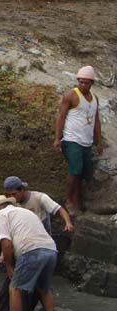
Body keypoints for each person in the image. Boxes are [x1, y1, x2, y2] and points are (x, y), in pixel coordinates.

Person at [0, 195, 60, 311]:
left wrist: (9, 267)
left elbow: (6, 242)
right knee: (45, 289)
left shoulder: (2, 214)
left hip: (31, 251)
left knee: (15, 288)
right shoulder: (27, 213)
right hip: (51, 250)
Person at [53, 65, 103, 215]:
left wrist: (98, 141)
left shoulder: (95, 99)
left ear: (91, 83)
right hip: (71, 139)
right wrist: (57, 138)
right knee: (75, 170)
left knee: (83, 173)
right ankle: (69, 200)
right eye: (80, 82)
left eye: (86, 82)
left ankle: (77, 199)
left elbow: (97, 120)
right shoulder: (71, 96)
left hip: (86, 142)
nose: (83, 85)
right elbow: (61, 116)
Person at [3, 176, 74, 234]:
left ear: (22, 190)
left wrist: (68, 223)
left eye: (14, 194)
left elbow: (59, 210)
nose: (12, 197)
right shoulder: (10, 203)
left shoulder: (39, 198)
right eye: (9, 195)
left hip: (43, 236)